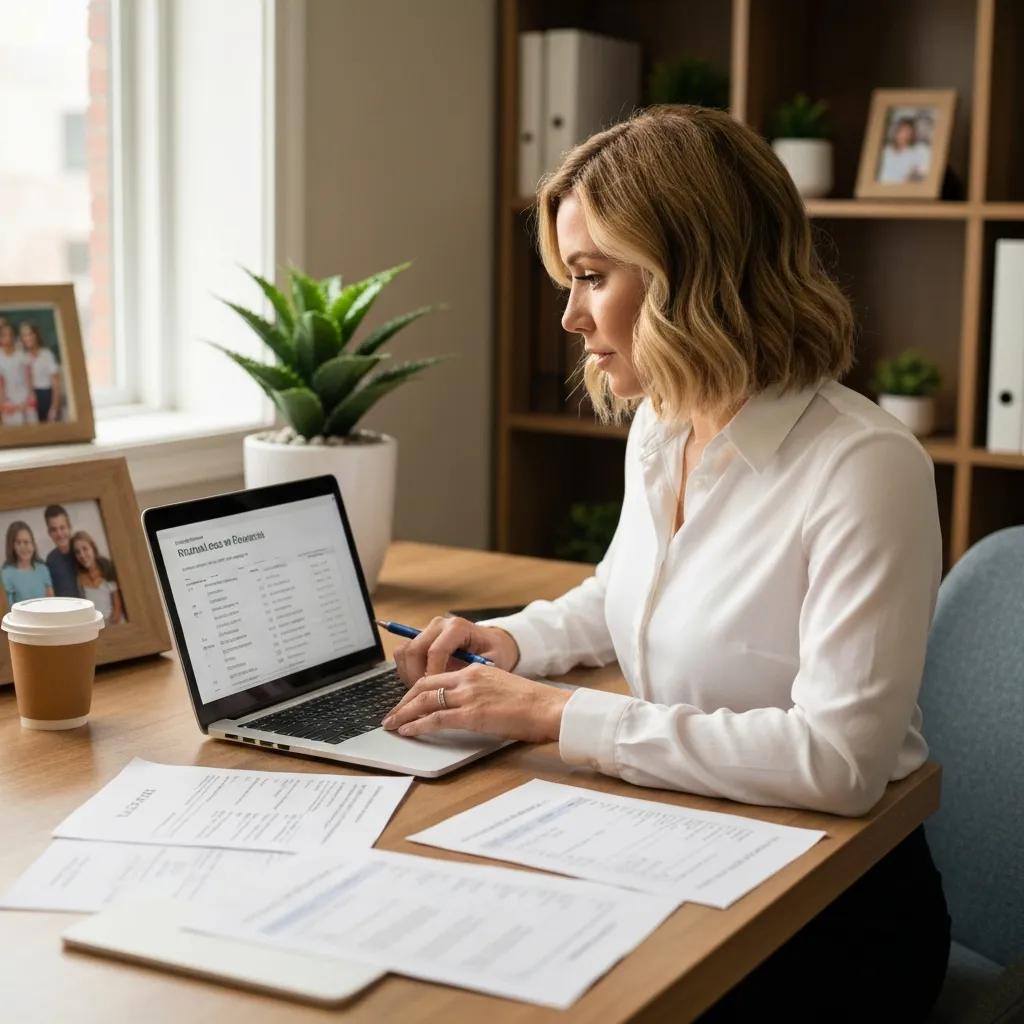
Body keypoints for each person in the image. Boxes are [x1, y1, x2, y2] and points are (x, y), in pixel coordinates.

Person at [381, 107, 950, 1021]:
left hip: (831, 913)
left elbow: (837, 761)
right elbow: (623, 595)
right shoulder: (664, 421)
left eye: (591, 277)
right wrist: (509, 644)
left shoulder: (865, 467)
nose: (569, 316)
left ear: (695, 271)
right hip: (681, 839)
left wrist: (560, 717)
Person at [44, 504, 117, 599]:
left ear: (69, 527)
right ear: (49, 533)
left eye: (62, 528)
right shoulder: (51, 560)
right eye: (54, 530)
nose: (59, 534)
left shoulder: (84, 552)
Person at [71, 530, 124, 625]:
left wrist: (112, 626)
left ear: (93, 548)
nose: (82, 555)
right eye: (77, 552)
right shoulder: (79, 579)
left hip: (116, 623)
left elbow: (117, 605)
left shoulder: (107, 567)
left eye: (85, 549)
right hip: (97, 628)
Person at [2, 521, 54, 605]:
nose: (23, 547)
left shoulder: (42, 569)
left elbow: (51, 601)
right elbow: (7, 609)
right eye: (18, 543)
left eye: (26, 542)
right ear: (12, 546)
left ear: (33, 543)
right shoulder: (6, 574)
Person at [19, 322, 62, 422]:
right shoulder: (22, 357)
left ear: (36, 335)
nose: (28, 338)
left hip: (46, 395)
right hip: (29, 398)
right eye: (25, 335)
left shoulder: (46, 355)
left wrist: (54, 408)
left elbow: (56, 385)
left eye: (30, 334)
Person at [0, 320, 35, 427]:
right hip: (8, 403)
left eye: (11, 334)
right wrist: (3, 404)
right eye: (4, 335)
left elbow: (29, 377)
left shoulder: (22, 354)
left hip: (26, 399)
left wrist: (29, 398)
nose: (8, 338)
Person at [878, 114, 931, 184]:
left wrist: (915, 176)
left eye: (908, 132)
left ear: (913, 134)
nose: (904, 135)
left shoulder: (920, 150)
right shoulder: (885, 151)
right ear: (896, 131)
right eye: (902, 131)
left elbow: (925, 172)